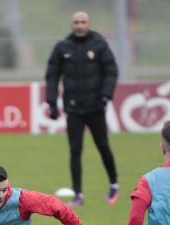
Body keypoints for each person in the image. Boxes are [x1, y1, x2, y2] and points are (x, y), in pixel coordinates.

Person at [45, 10, 120, 207]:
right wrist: (51, 103)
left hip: (96, 107)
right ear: (72, 25)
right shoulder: (63, 47)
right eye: (76, 22)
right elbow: (52, 75)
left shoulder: (99, 44)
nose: (79, 25)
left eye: (83, 22)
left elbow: (111, 71)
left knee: (103, 146)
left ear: (89, 23)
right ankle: (78, 194)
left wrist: (106, 96)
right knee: (75, 150)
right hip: (73, 109)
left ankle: (114, 184)